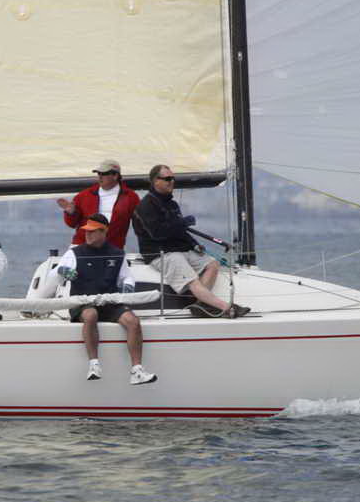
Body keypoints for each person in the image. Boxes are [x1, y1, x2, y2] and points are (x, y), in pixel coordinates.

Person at [131, 164, 250, 318]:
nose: (171, 181)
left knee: (212, 264)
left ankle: (200, 305)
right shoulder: (145, 206)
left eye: (173, 178)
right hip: (161, 254)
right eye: (167, 179)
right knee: (192, 280)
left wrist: (194, 244)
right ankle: (228, 308)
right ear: (155, 181)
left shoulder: (171, 204)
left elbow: (180, 231)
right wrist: (183, 222)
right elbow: (158, 233)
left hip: (179, 250)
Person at [53, 214, 157, 384]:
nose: (87, 234)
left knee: (132, 321)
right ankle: (94, 365)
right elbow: (55, 274)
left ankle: (137, 370)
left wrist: (128, 286)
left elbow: (127, 277)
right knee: (91, 315)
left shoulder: (117, 254)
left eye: (92, 231)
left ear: (103, 232)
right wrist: (62, 272)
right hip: (83, 302)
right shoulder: (74, 253)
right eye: (86, 231)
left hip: (110, 302)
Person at [56, 159, 141, 249]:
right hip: (82, 245)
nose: (100, 177)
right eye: (98, 173)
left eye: (104, 174)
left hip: (111, 248)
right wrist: (71, 213)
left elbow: (140, 224)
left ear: (115, 176)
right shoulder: (83, 196)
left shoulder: (131, 198)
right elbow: (72, 224)